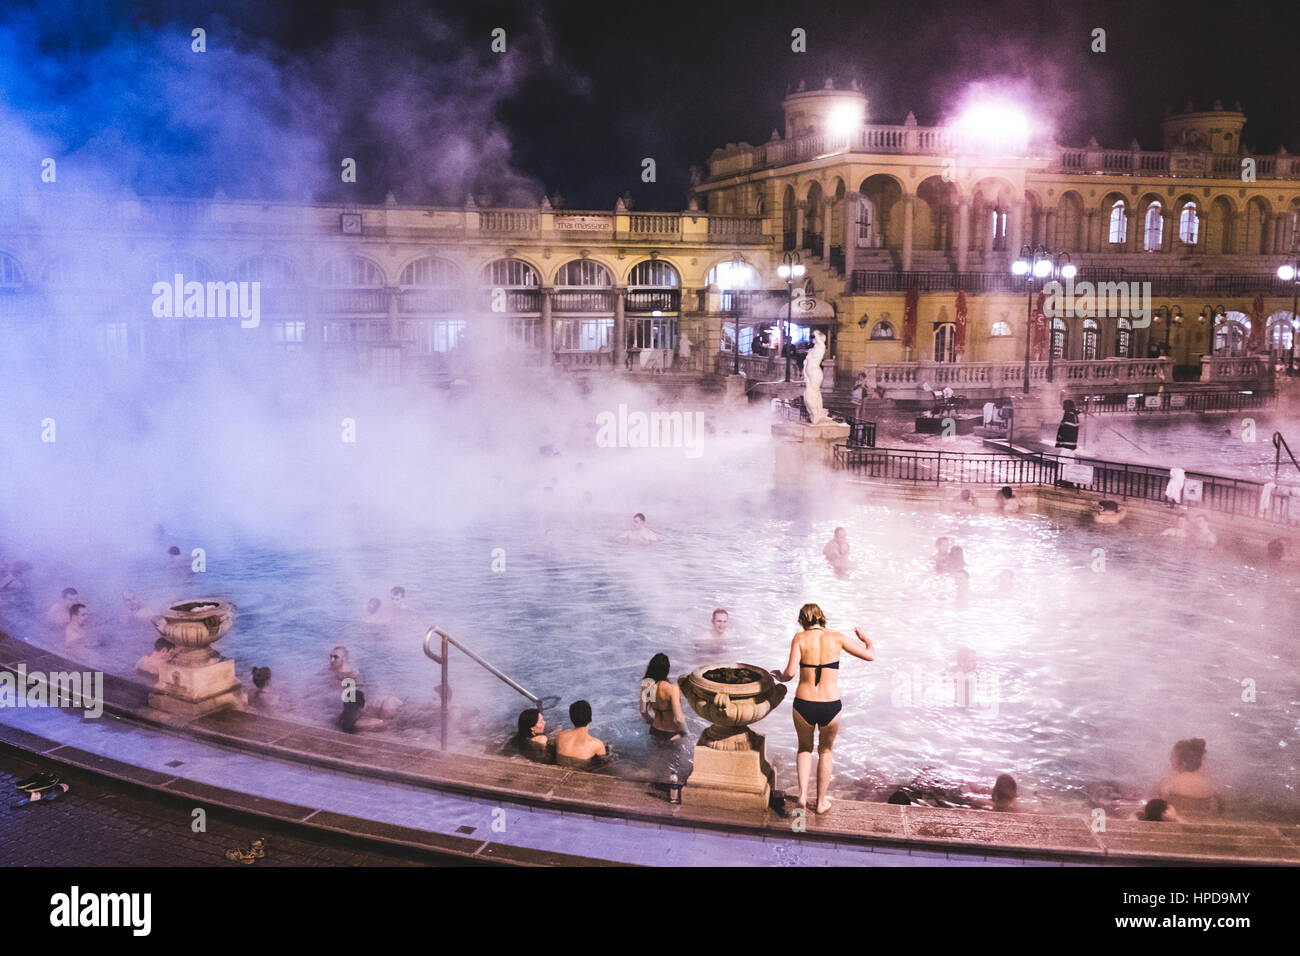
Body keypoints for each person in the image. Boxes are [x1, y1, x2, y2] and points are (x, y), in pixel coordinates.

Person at [770, 603, 875, 814]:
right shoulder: (837, 638)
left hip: (804, 703)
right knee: (826, 751)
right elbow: (869, 655)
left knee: (804, 749)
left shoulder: (799, 639)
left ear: (802, 620)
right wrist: (866, 640)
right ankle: (820, 803)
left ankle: (801, 797)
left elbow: (790, 673)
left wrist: (780, 677)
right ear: (821, 618)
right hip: (830, 705)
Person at [1159, 738, 1224, 818]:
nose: (1170, 759)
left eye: (1173, 756)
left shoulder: (1169, 788)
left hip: (1178, 827)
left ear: (1183, 763)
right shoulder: (1211, 788)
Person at [555, 700, 607, 768]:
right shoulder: (597, 745)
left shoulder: (560, 736)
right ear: (590, 718)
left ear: (571, 719)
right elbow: (603, 765)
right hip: (582, 769)